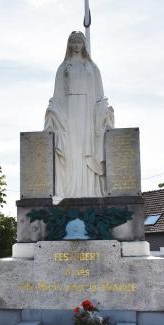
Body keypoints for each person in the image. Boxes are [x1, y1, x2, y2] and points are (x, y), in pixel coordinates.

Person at [44, 31, 114, 199]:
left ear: (84, 44)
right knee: (71, 149)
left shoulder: (92, 67)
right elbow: (57, 95)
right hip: (69, 112)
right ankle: (69, 191)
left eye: (79, 42)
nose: (76, 45)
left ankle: (89, 190)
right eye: (73, 42)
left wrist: (103, 110)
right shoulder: (63, 68)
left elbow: (100, 94)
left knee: (87, 146)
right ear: (69, 44)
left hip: (88, 112)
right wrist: (54, 111)